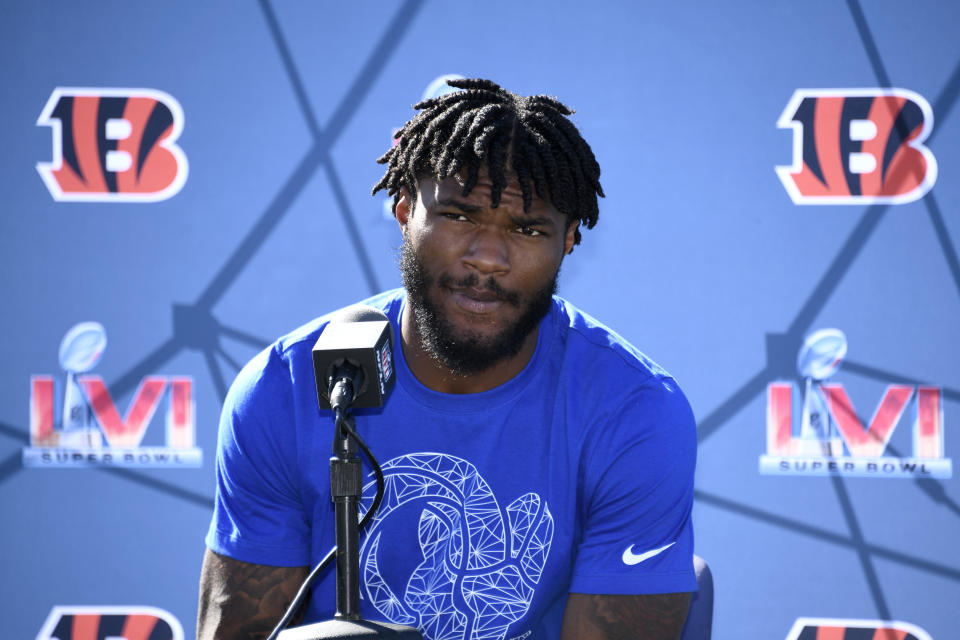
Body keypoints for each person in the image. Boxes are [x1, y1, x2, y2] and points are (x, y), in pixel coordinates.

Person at [198, 78, 697, 640]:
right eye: (459, 216)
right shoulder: (284, 388)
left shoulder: (634, 413)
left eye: (527, 228)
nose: (487, 258)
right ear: (405, 210)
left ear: (570, 241)